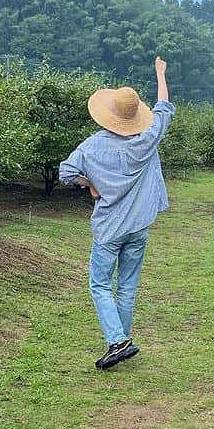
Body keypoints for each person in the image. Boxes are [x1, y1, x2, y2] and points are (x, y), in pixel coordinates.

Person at [59, 56, 175, 370]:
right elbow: (163, 108)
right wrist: (160, 74)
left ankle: (117, 341)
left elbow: (65, 172)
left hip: (110, 227)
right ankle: (120, 340)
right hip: (139, 226)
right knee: (126, 286)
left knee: (99, 284)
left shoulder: (91, 147)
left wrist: (91, 184)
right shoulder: (147, 140)